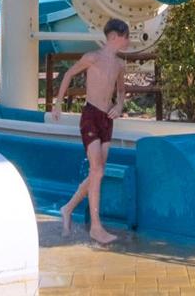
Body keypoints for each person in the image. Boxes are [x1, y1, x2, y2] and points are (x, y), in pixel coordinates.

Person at [52, 18, 131, 244]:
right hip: (90, 116)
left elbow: (121, 91)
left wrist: (119, 105)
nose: (129, 40)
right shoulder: (92, 58)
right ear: (115, 37)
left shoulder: (118, 65)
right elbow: (68, 75)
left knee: (98, 171)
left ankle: (67, 209)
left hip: (107, 119)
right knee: (97, 171)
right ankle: (96, 227)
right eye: (127, 36)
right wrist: (57, 105)